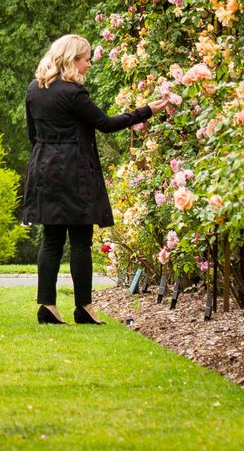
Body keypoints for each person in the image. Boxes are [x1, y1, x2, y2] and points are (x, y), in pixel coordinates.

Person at [23, 33, 166, 325]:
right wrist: (146, 111)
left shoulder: (34, 90)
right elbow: (106, 124)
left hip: (44, 170)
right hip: (74, 172)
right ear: (71, 60)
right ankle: (83, 308)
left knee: (50, 240)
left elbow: (31, 134)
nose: (89, 64)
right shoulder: (73, 94)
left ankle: (47, 307)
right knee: (80, 241)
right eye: (85, 58)